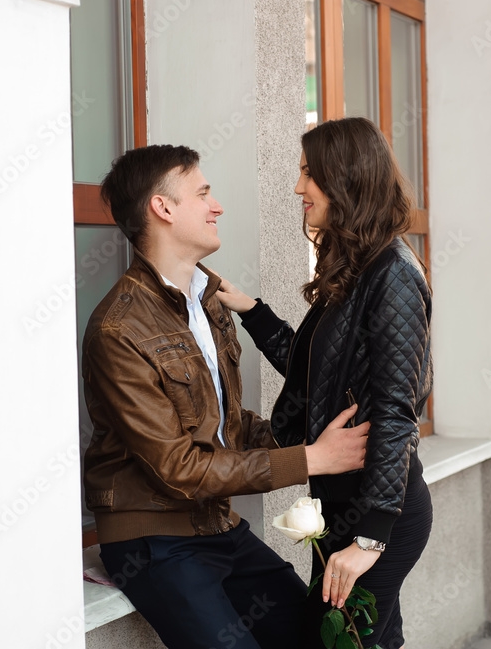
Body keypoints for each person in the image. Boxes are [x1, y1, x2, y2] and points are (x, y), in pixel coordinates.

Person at [81, 144, 371, 649]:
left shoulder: (206, 301)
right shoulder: (118, 327)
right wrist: (309, 460)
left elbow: (224, 422)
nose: (217, 207)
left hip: (215, 524)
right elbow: (178, 466)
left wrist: (303, 435)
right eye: (203, 193)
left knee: (319, 637)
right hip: (153, 540)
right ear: (163, 208)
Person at [217, 117, 433, 649]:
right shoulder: (359, 268)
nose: (298, 188)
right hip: (343, 506)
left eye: (309, 174)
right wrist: (252, 310)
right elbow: (319, 372)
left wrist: (370, 538)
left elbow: (395, 412)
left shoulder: (394, 275)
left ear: (345, 178)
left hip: (382, 513)